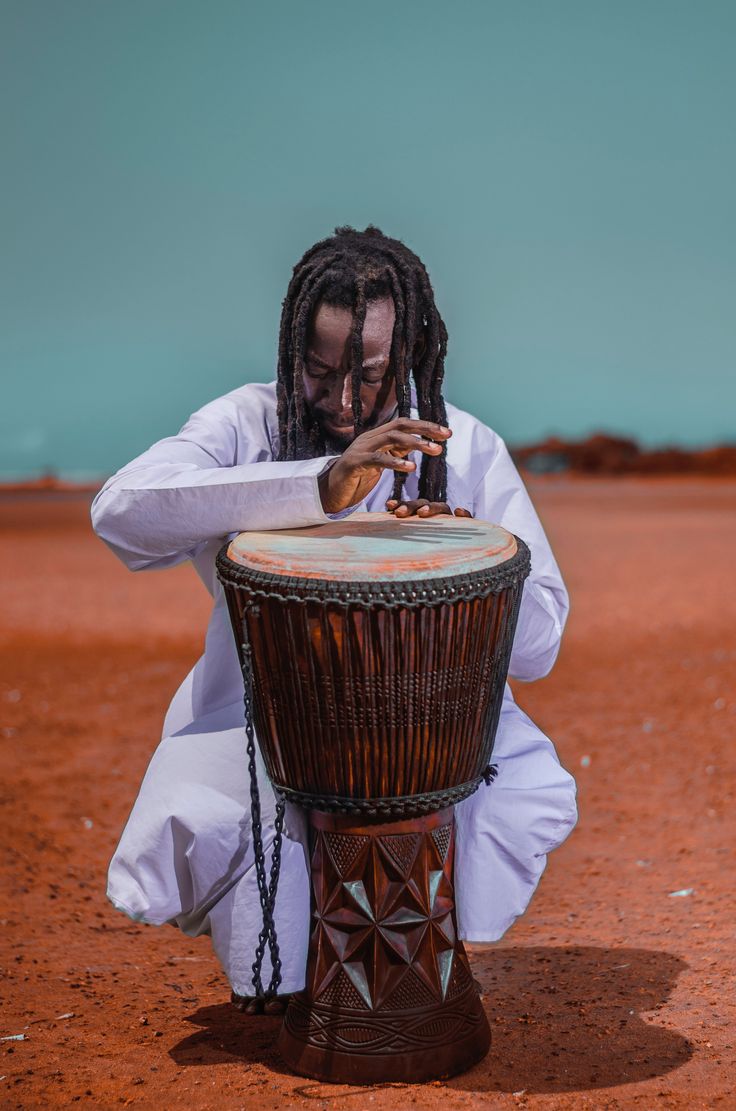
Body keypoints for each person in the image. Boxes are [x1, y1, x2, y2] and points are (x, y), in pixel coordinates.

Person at [92, 225, 577, 1014]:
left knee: (509, 798)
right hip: (263, 717)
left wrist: (464, 558)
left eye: (372, 377)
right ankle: (297, 987)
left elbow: (541, 645)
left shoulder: (464, 447)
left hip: (436, 726)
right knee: (219, 821)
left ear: (412, 356)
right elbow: (121, 513)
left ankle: (410, 971)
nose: (345, 402)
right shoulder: (248, 423)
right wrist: (319, 484)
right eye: (320, 373)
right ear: (292, 354)